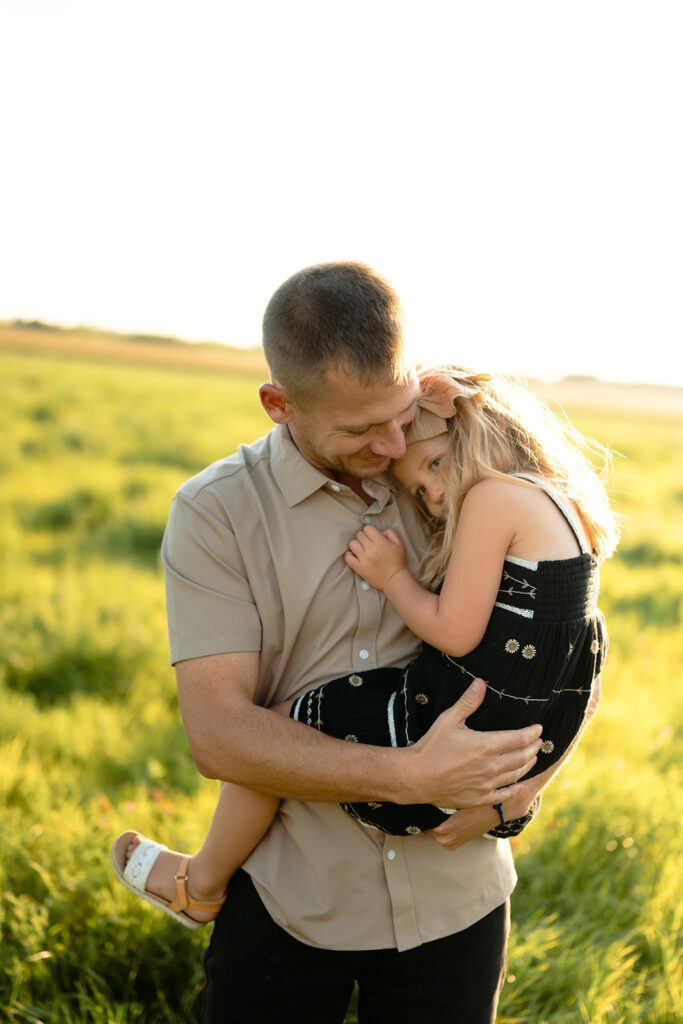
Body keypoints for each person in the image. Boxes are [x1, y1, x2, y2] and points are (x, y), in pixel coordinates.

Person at [112, 263, 596, 1024]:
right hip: (290, 901)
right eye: (362, 430)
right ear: (279, 405)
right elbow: (218, 736)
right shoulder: (217, 514)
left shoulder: (456, 471)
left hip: (457, 897)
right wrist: (411, 774)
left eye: (400, 413)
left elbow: (570, 649)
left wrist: (518, 796)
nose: (393, 443)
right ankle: (199, 885)